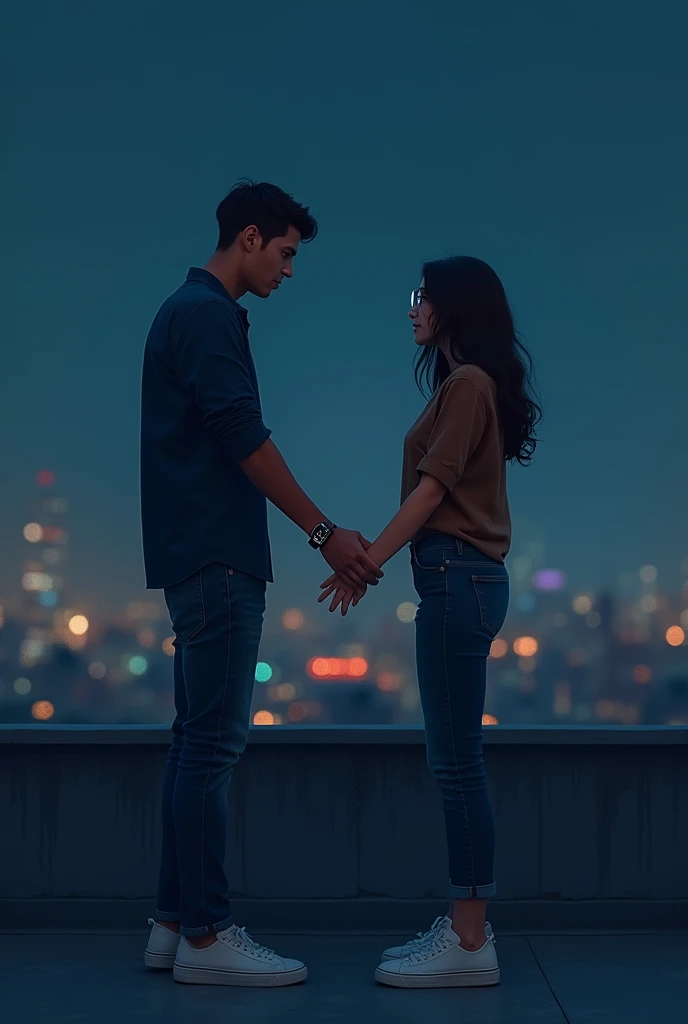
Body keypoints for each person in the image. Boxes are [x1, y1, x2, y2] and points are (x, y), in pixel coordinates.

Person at [141, 180, 383, 987]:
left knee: (192, 743)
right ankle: (208, 938)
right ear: (249, 237)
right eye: (284, 253)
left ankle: (174, 925)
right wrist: (324, 534)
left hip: (197, 554)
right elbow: (244, 437)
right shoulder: (205, 316)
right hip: (217, 557)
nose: (288, 271)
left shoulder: (189, 312)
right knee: (212, 747)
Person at [319, 255, 541, 989]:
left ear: (452, 307)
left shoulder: (470, 385)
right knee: (455, 761)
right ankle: (465, 927)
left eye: (422, 298)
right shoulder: (463, 386)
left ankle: (471, 941)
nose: (412, 309)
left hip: (456, 576)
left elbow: (428, 494)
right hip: (455, 579)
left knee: (456, 764)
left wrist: (363, 565)